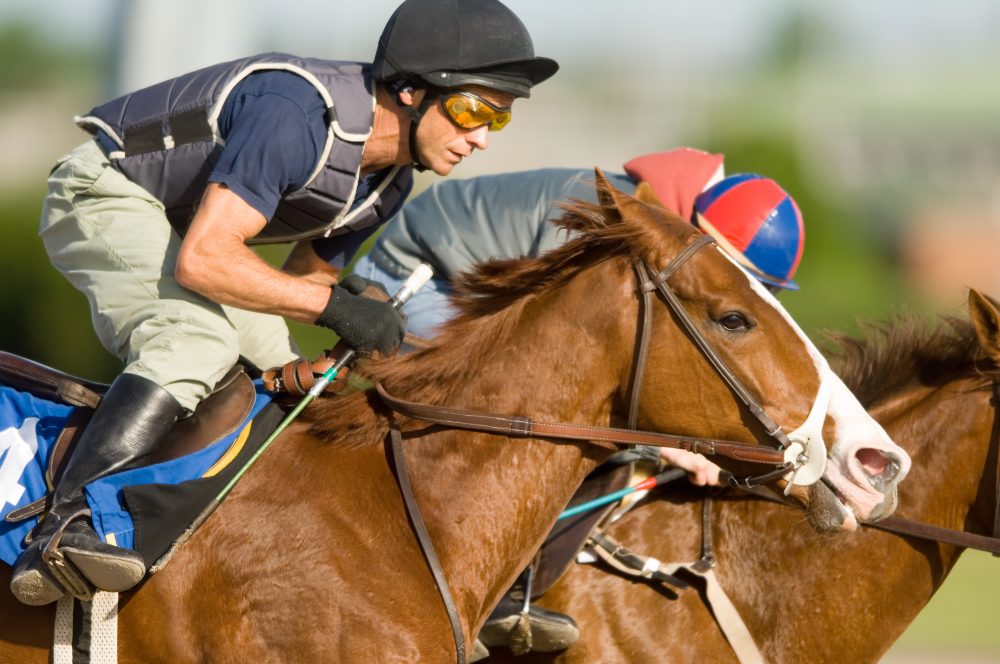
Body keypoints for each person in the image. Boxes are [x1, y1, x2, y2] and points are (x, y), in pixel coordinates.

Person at [11, 0, 558, 606]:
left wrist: (334, 343)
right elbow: (205, 262)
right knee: (195, 342)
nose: (481, 137)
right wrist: (331, 307)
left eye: (498, 120)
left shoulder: (388, 184)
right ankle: (62, 528)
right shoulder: (297, 112)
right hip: (104, 191)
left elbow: (302, 286)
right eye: (473, 110)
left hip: (183, 231)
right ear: (409, 90)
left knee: (287, 381)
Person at [321, 147, 805, 658]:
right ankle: (494, 595)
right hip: (417, 275)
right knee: (556, 414)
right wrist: (670, 447)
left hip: (458, 276)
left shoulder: (658, 228)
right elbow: (569, 356)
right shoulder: (612, 222)